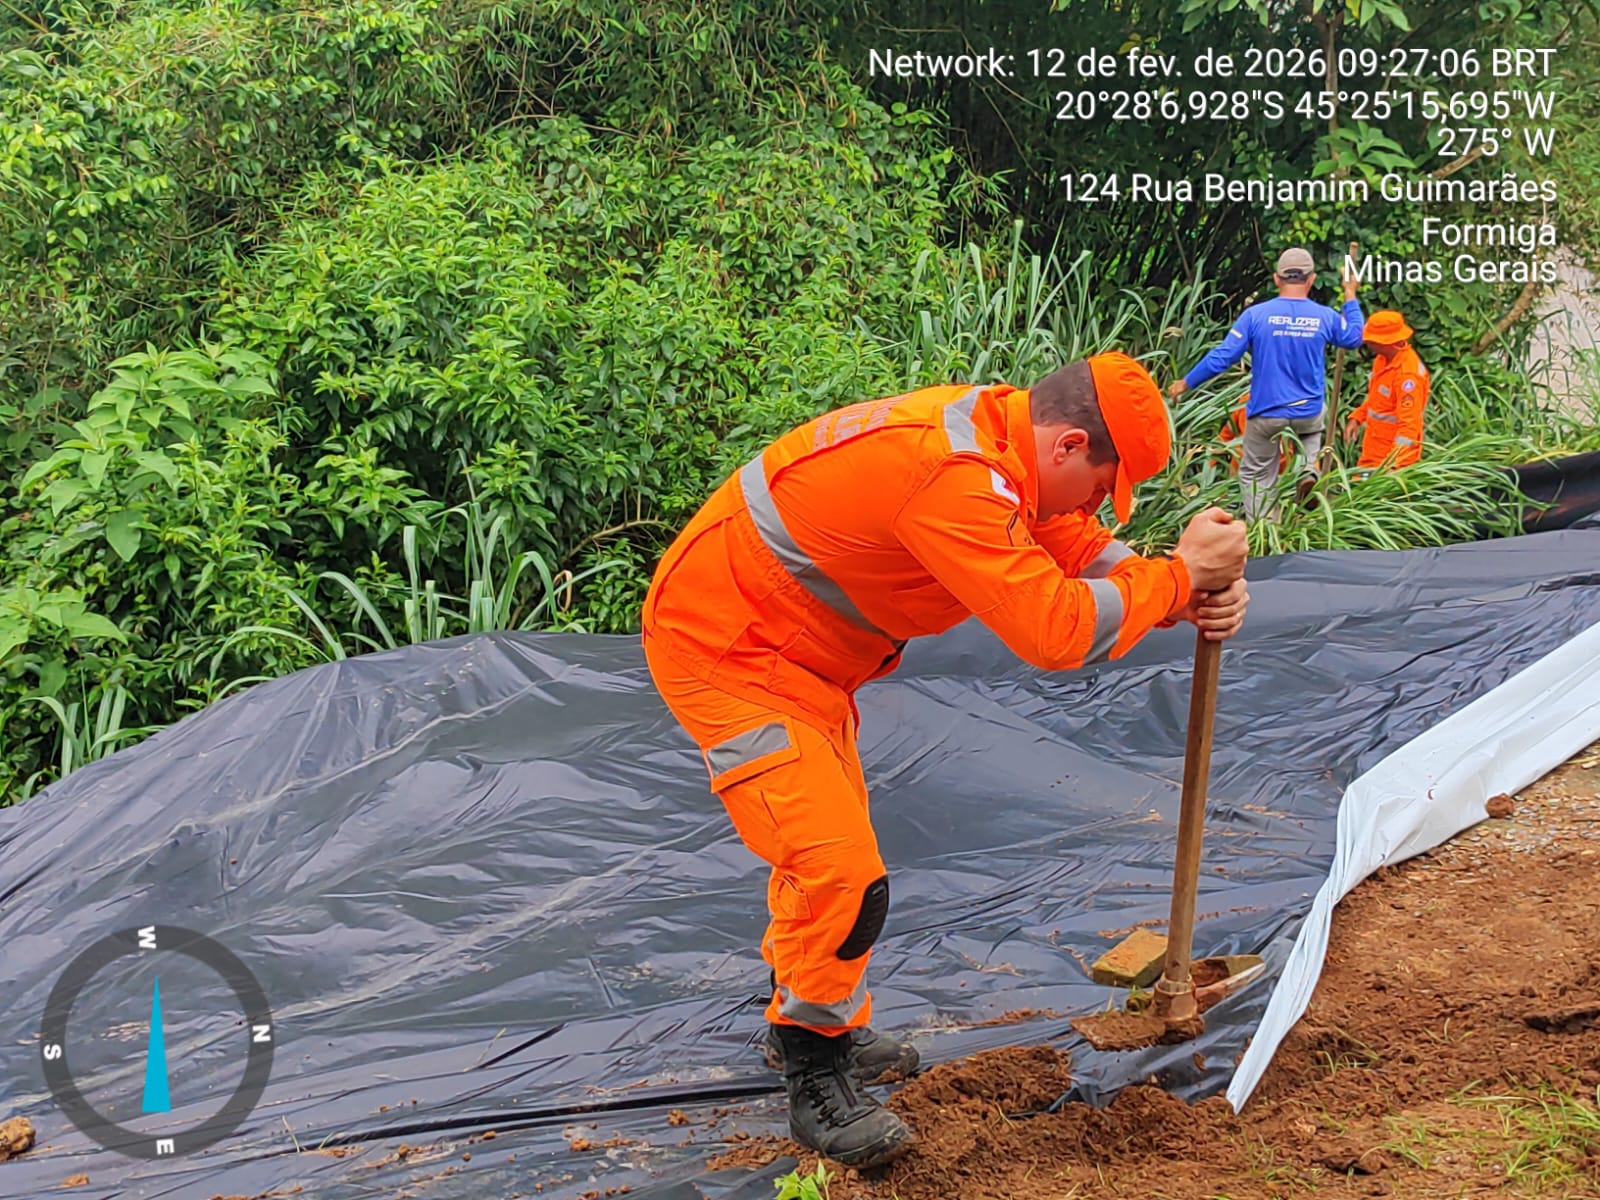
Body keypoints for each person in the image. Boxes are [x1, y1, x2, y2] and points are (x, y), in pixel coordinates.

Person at [640, 354, 1250, 1169]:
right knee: (839, 870)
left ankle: (825, 1023)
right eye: (1104, 485)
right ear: (1068, 446)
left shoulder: (1004, 441)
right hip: (730, 651)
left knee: (828, 853)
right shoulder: (953, 476)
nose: (1101, 507)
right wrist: (1177, 579)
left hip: (800, 655)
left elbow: (1068, 540)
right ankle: (813, 1071)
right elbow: (1054, 630)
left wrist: (1177, 588)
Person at [1167, 247, 1365, 519]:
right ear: (1311, 279)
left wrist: (1186, 383)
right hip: (1308, 412)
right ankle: (1308, 469)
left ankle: (1265, 529)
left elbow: (1223, 357)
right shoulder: (1325, 316)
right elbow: (1354, 337)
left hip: (1267, 412)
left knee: (1256, 474)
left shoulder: (1256, 316)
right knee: (1310, 429)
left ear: (1276, 279)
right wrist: (1350, 294)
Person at [1345, 311, 1430, 469]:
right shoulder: (1383, 360)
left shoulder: (1407, 376)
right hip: (1372, 453)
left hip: (1392, 463)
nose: (1367, 342)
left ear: (1385, 342)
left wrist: (1393, 465)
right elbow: (1378, 399)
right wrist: (1357, 417)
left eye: (1371, 340)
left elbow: (1410, 427)